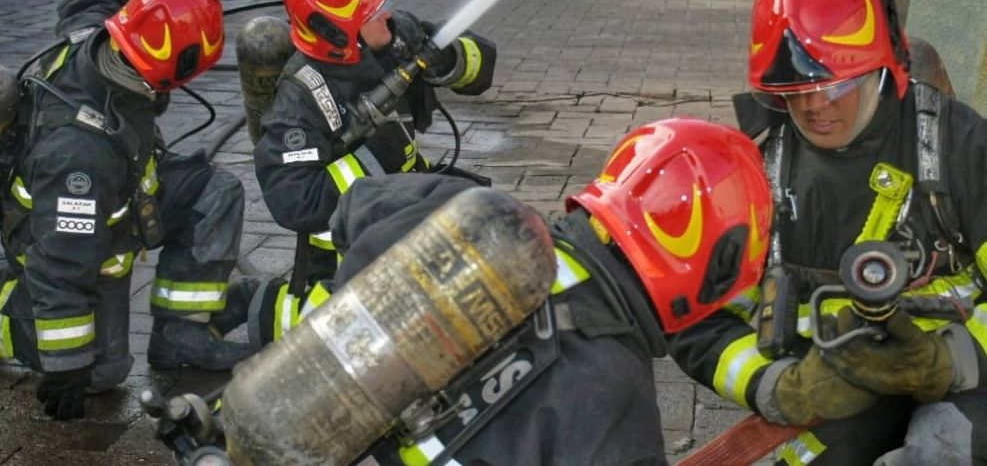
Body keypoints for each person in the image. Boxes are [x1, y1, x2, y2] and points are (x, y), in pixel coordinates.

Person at [162, 117, 773, 464]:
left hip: (263, 427)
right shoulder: (614, 396)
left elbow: (357, 206)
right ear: (705, 266)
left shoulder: (472, 219)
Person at [668, 0, 987, 464]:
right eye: (794, 91)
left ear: (884, 70)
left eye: (834, 85)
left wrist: (950, 360)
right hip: (836, 394)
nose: (814, 106)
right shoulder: (757, 170)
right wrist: (778, 386)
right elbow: (698, 318)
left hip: (971, 382)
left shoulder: (961, 148)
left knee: (940, 453)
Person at [0, 0, 256, 420]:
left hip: (119, 198)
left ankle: (181, 337)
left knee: (215, 191)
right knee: (102, 372)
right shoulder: (80, 153)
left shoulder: (96, 34)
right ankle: (12, 310)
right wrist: (65, 364)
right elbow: (62, 260)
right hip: (67, 231)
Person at [249, 0, 496, 346]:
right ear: (338, 30)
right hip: (345, 247)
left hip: (408, 201)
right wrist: (374, 158)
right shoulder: (300, 100)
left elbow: (481, 64)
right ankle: (268, 310)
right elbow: (292, 200)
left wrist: (448, 59)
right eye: (377, 11)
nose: (390, 15)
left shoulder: (392, 39)